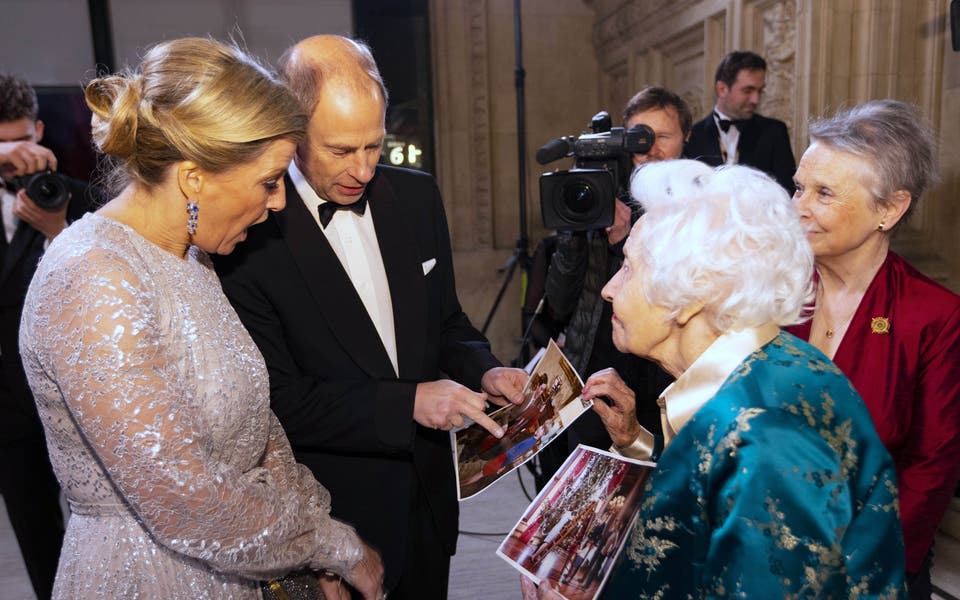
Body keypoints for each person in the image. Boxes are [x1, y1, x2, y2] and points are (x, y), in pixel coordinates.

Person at [18, 37, 385, 600]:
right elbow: (184, 499)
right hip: (146, 577)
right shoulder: (93, 278)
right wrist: (335, 547)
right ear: (193, 178)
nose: (280, 201)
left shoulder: (190, 258)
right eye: (268, 182)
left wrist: (312, 559)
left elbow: (258, 429)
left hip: (239, 569)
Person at [213, 35, 527, 599]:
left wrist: (484, 368)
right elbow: (276, 402)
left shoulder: (417, 197)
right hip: (337, 515)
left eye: (375, 145)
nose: (362, 169)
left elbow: (448, 323)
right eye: (339, 150)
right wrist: (408, 402)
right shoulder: (249, 231)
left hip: (429, 501)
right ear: (292, 128)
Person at [522, 160, 905, 598]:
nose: (609, 289)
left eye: (628, 268)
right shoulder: (764, 367)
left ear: (687, 297)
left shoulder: (766, 440)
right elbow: (706, 492)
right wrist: (636, 440)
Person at [787, 99, 960, 599]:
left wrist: (854, 565)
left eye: (823, 193)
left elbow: (931, 468)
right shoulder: (772, 291)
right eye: (799, 186)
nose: (798, 206)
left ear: (889, 209)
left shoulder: (933, 316)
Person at [537, 86, 686, 484]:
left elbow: (677, 297)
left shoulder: (698, 209)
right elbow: (559, 301)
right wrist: (572, 232)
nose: (650, 149)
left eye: (662, 137)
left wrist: (624, 243)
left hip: (660, 376)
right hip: (594, 370)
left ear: (685, 139)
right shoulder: (599, 196)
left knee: (652, 486)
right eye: (640, 138)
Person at [0, 72, 97, 600]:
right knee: (41, 546)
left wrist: (57, 230)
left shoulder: (77, 201)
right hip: (10, 413)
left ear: (39, 131)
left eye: (22, 142)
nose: (16, 161)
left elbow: (114, 291)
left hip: (85, 401)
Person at [684, 50, 796, 192]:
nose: (756, 99)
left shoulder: (774, 132)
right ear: (722, 89)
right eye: (748, 90)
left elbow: (787, 191)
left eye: (760, 91)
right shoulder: (692, 136)